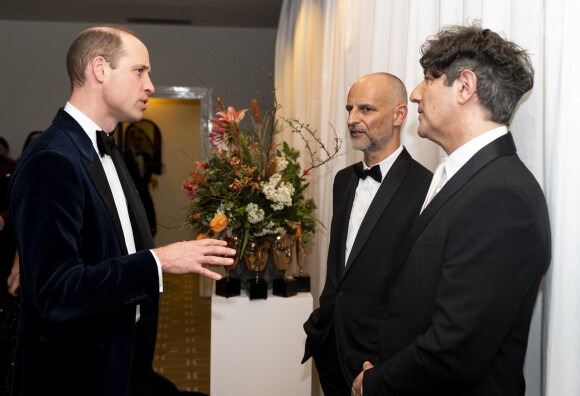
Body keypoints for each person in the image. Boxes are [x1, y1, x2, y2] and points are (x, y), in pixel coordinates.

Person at [8, 25, 235, 396]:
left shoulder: (108, 150)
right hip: (74, 376)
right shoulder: (52, 159)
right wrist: (158, 261)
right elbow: (56, 292)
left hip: (122, 364)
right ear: (99, 69)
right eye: (140, 71)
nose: (150, 85)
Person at [351, 25, 551, 396]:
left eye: (428, 79)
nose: (414, 94)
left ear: (465, 87)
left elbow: (456, 350)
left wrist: (375, 383)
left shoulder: (502, 198)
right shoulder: (465, 177)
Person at [301, 73, 432, 395]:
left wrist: (389, 360)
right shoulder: (344, 180)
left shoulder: (425, 187)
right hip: (330, 341)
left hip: (378, 358)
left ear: (399, 115)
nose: (352, 119)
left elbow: (418, 288)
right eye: (349, 109)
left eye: (366, 109)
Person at [124, 125, 158, 237]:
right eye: (137, 139)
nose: (140, 142)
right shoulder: (124, 156)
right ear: (132, 140)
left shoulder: (147, 156)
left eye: (142, 139)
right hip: (131, 197)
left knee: (150, 226)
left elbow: (148, 173)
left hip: (145, 197)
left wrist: (152, 174)